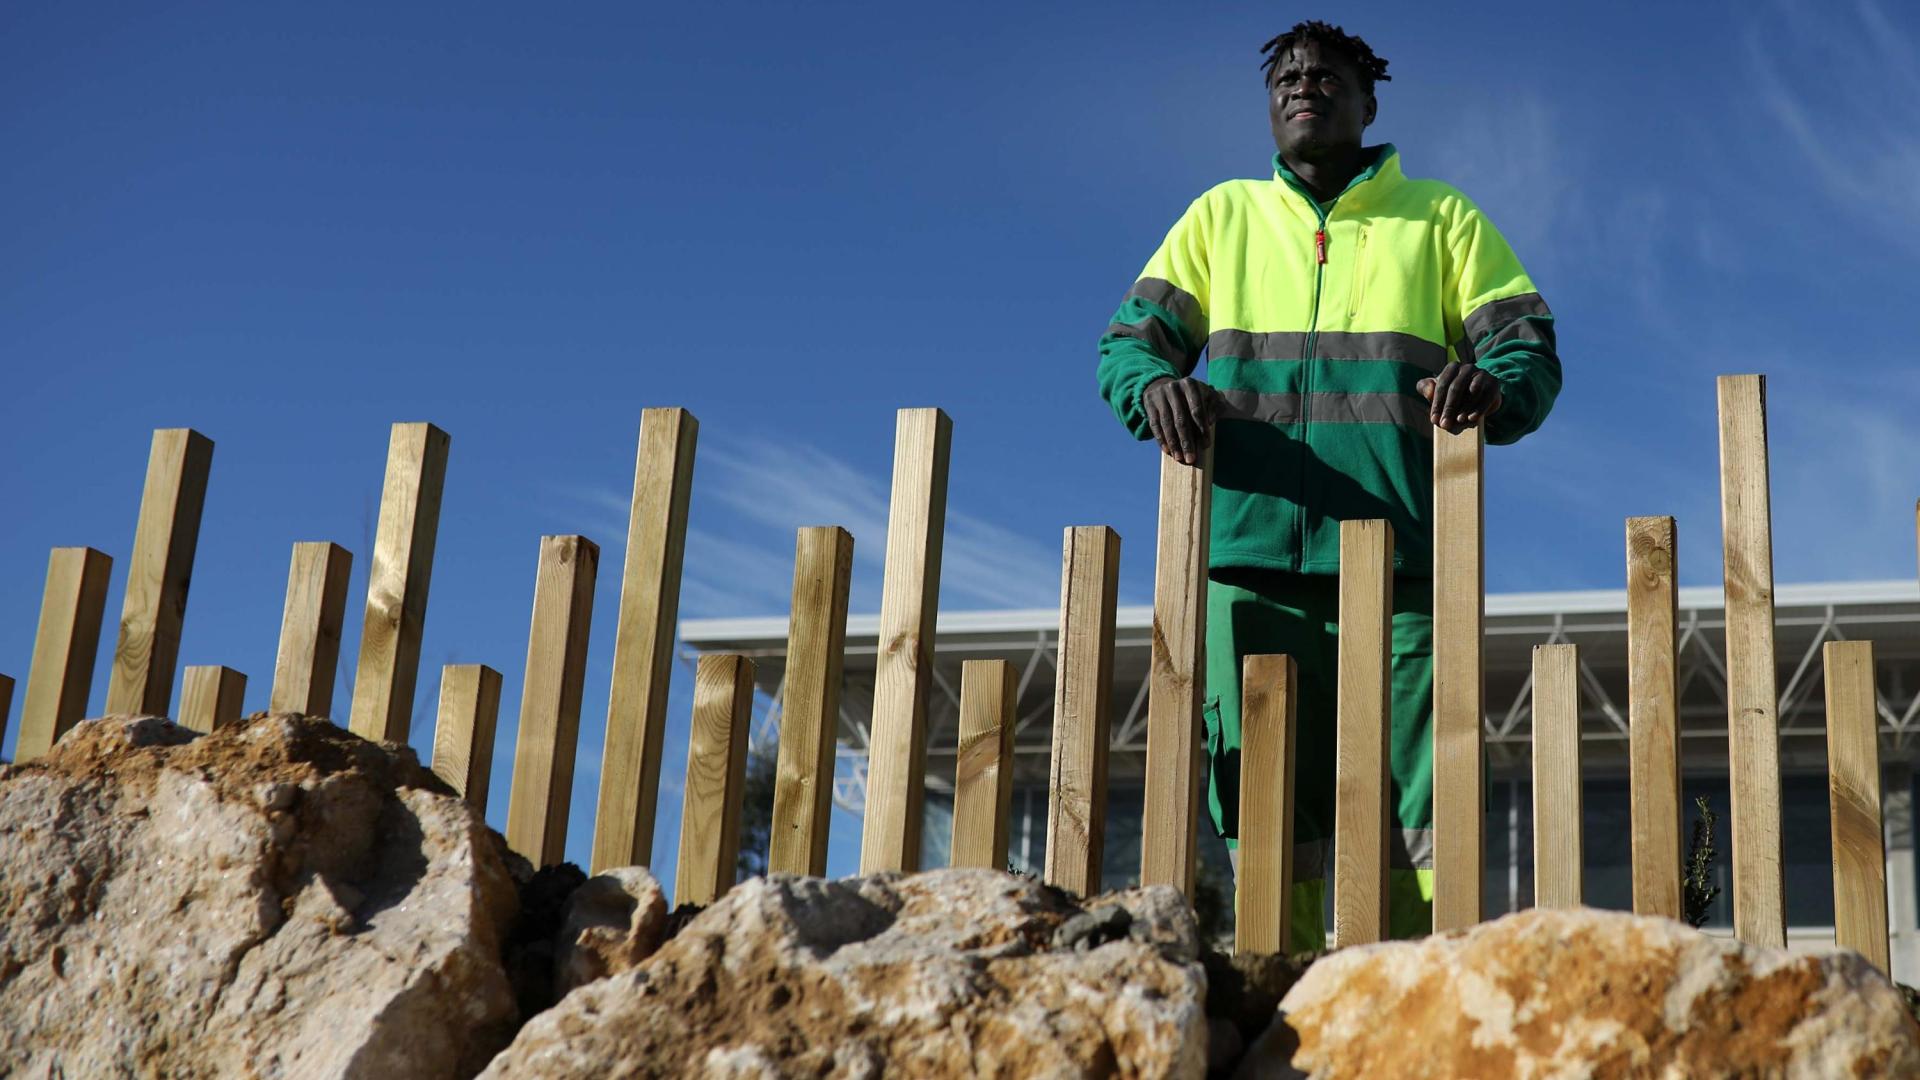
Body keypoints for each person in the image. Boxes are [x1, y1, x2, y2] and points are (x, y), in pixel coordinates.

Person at [1096, 20, 1561, 949]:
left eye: (1328, 75)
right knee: (1271, 808)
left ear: (1368, 101)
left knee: (1416, 809)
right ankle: (1293, 991)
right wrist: (1155, 388)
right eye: (1287, 76)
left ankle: (1415, 991)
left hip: (1405, 571)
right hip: (1248, 566)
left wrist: (1495, 383)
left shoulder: (1440, 219)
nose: (1304, 85)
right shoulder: (1220, 217)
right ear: (1270, 106)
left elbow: (1528, 350)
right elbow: (1125, 347)